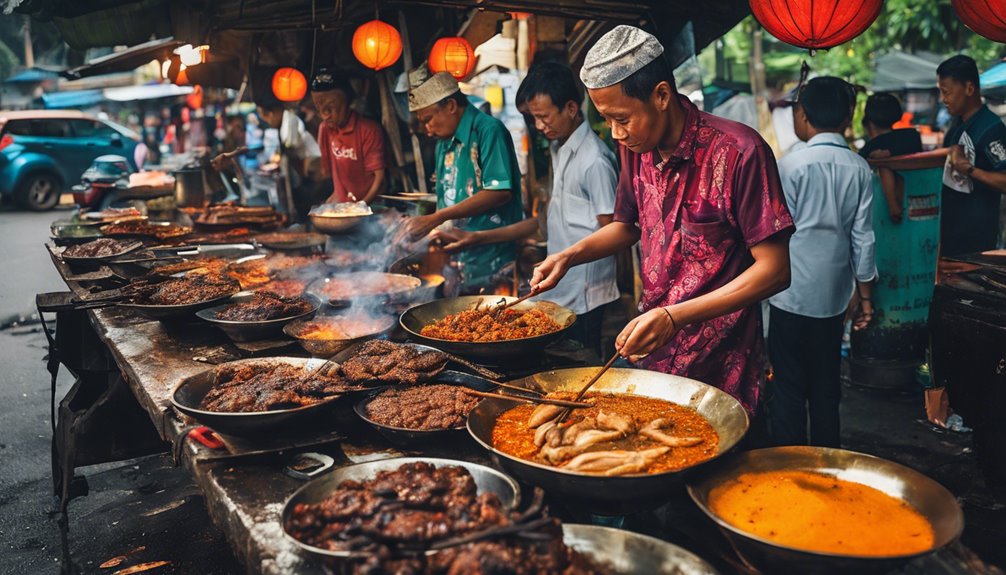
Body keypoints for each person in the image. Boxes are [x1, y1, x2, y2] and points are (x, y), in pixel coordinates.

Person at [530, 26, 794, 415]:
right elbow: (627, 225)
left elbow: (775, 270)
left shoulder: (740, 151)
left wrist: (675, 316)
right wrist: (569, 256)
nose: (616, 134)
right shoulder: (635, 146)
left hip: (721, 364)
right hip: (650, 353)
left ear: (662, 95)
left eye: (622, 118)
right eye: (607, 121)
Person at [432, 62, 619, 355]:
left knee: (582, 360)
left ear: (571, 108)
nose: (539, 126)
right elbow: (541, 224)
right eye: (534, 118)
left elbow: (613, 231)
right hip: (563, 284)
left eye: (543, 117)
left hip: (586, 290)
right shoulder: (560, 150)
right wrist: (477, 238)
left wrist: (569, 257)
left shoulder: (594, 159)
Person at [766, 77, 877, 448]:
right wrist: (865, 299)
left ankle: (790, 460)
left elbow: (776, 234)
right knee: (827, 386)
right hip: (833, 297)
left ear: (802, 115)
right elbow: (863, 237)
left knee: (788, 385)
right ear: (847, 117)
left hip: (789, 292)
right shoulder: (860, 168)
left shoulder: (790, 165)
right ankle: (828, 458)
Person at [404, 70, 524, 293]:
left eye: (428, 119)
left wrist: (437, 217)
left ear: (450, 106)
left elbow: (500, 192)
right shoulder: (444, 142)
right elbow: (447, 195)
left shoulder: (489, 130)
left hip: (492, 262)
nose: (427, 130)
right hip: (458, 262)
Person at [937, 55, 1006, 258]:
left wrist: (969, 169)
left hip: (978, 243)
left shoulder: (990, 127)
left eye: (946, 92)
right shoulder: (955, 129)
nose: (943, 99)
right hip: (951, 239)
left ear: (969, 88)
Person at [311, 69, 387, 204]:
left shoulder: (368, 130)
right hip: (343, 205)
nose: (325, 115)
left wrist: (360, 207)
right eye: (319, 108)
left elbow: (379, 179)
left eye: (330, 107)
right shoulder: (325, 129)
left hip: (372, 205)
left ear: (345, 102)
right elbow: (327, 172)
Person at [860, 93, 923, 224]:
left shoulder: (870, 149)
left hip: (882, 218)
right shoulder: (912, 137)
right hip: (920, 205)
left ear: (869, 124)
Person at [256, 96, 323, 218]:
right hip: (306, 174)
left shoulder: (290, 120)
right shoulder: (284, 123)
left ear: (271, 113)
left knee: (312, 210)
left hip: (314, 173)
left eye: (265, 118)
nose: (268, 122)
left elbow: (291, 146)